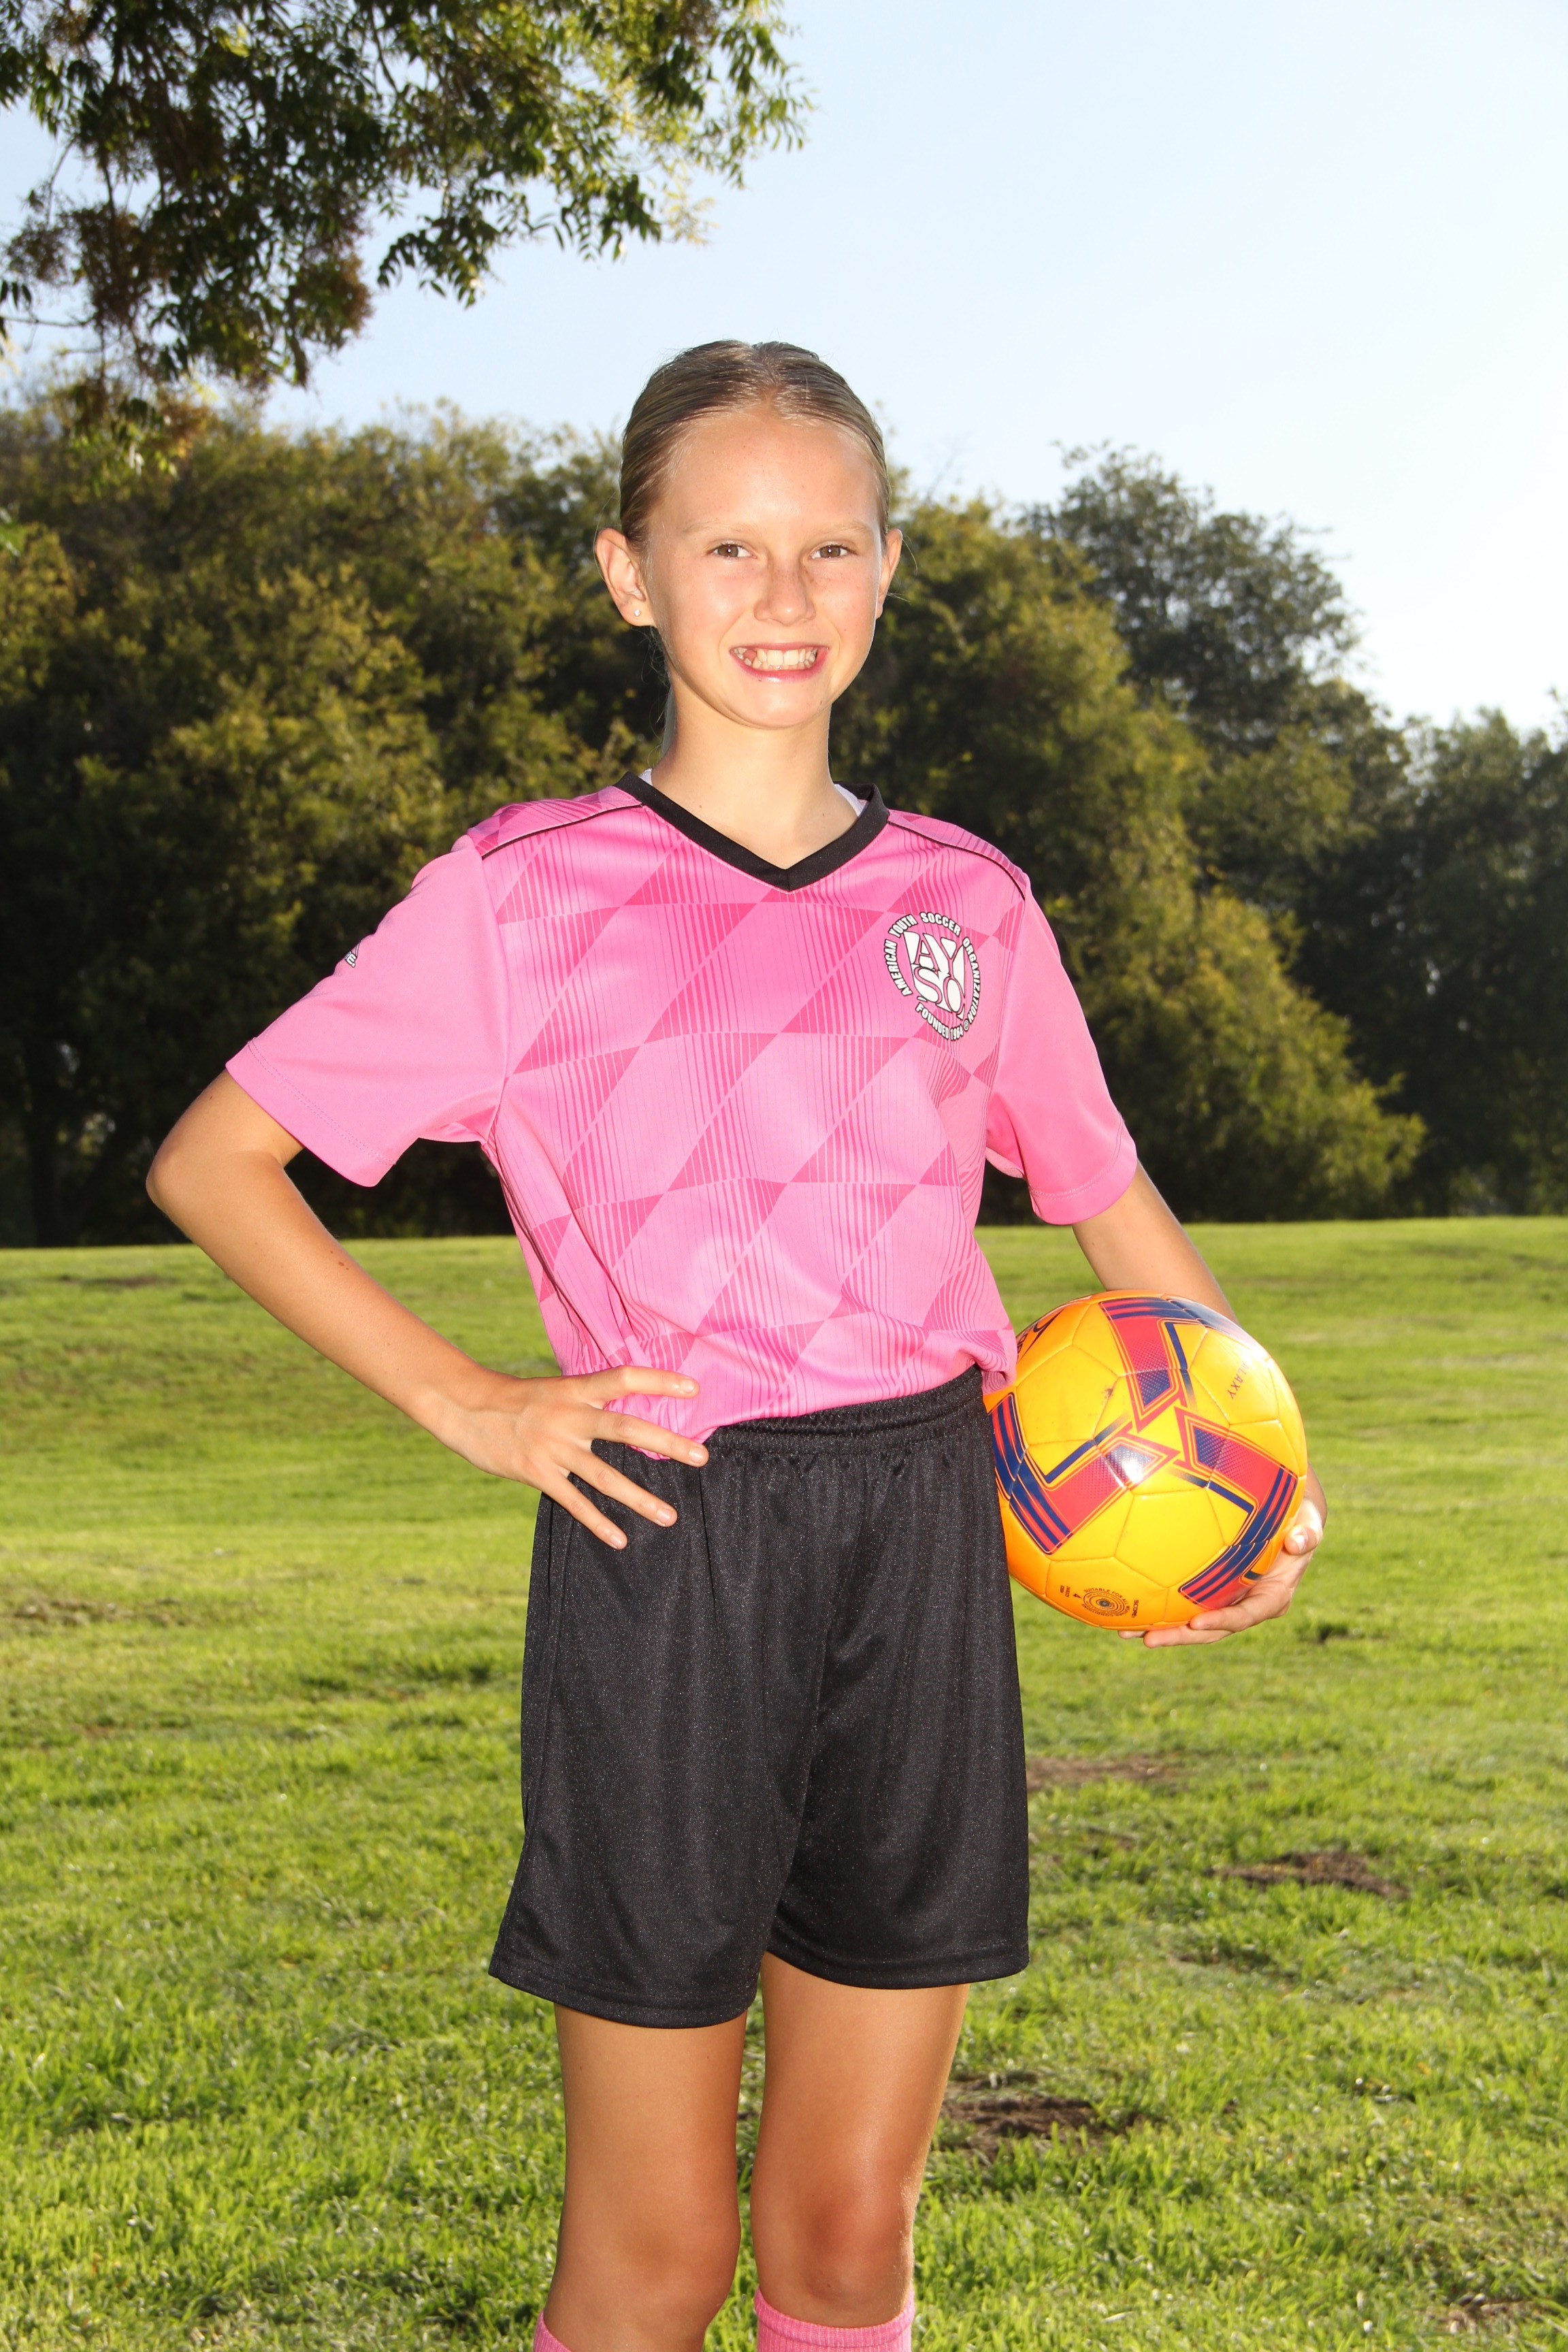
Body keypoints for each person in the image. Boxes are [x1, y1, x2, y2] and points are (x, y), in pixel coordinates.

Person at [148, 340, 1326, 2352]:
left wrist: (1258, 1491)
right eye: (727, 547)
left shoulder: (969, 906)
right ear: (630, 574)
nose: (783, 595)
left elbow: (1113, 1207)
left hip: (927, 1536)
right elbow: (215, 1161)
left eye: (829, 547)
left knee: (849, 2236)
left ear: (888, 569)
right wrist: (472, 1401)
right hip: (671, 1542)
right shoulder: (522, 897)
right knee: (657, 2253)